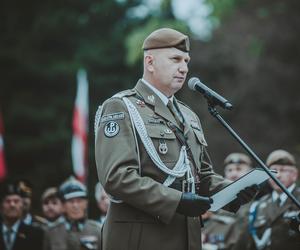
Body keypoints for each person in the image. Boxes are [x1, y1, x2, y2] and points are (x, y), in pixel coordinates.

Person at [94, 27, 259, 250]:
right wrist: (176, 201)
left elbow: (202, 176)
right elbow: (117, 178)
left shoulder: (188, 115)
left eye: (187, 61)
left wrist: (232, 191)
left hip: (186, 238)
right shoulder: (121, 106)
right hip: (141, 239)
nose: (184, 68)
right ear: (150, 62)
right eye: (175, 59)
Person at [232, 149, 300, 250]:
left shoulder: (297, 199)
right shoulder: (258, 206)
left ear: (295, 175)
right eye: (274, 170)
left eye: (283, 170)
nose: (278, 175)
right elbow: (247, 242)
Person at [202, 153, 254, 250]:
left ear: (249, 172)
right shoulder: (214, 204)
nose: (233, 174)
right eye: (230, 170)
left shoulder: (257, 206)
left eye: (239, 169)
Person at [43, 177, 101, 250]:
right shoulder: (52, 232)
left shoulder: (97, 230)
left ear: (86, 204)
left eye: (79, 201)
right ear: (63, 206)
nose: (75, 206)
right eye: (71, 201)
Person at [0, 181, 44, 250]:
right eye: (8, 201)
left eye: (16, 201)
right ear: (1, 206)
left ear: (22, 206)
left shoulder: (36, 234)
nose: (12, 205)